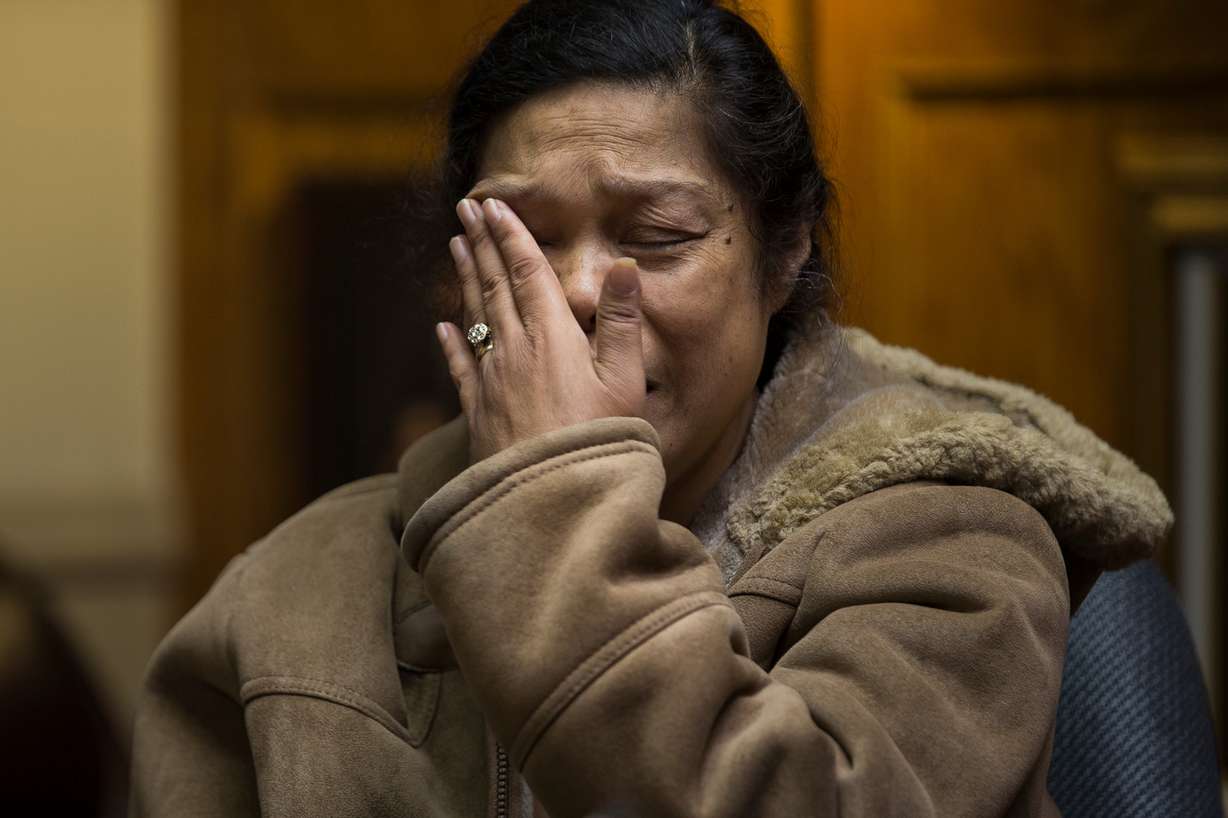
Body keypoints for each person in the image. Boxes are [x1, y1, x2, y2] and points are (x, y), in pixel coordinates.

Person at [130, 1, 1172, 816]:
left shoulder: (951, 532)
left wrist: (550, 508)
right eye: (524, 237)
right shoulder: (286, 590)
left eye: (659, 235)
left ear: (785, 247)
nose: (581, 289)